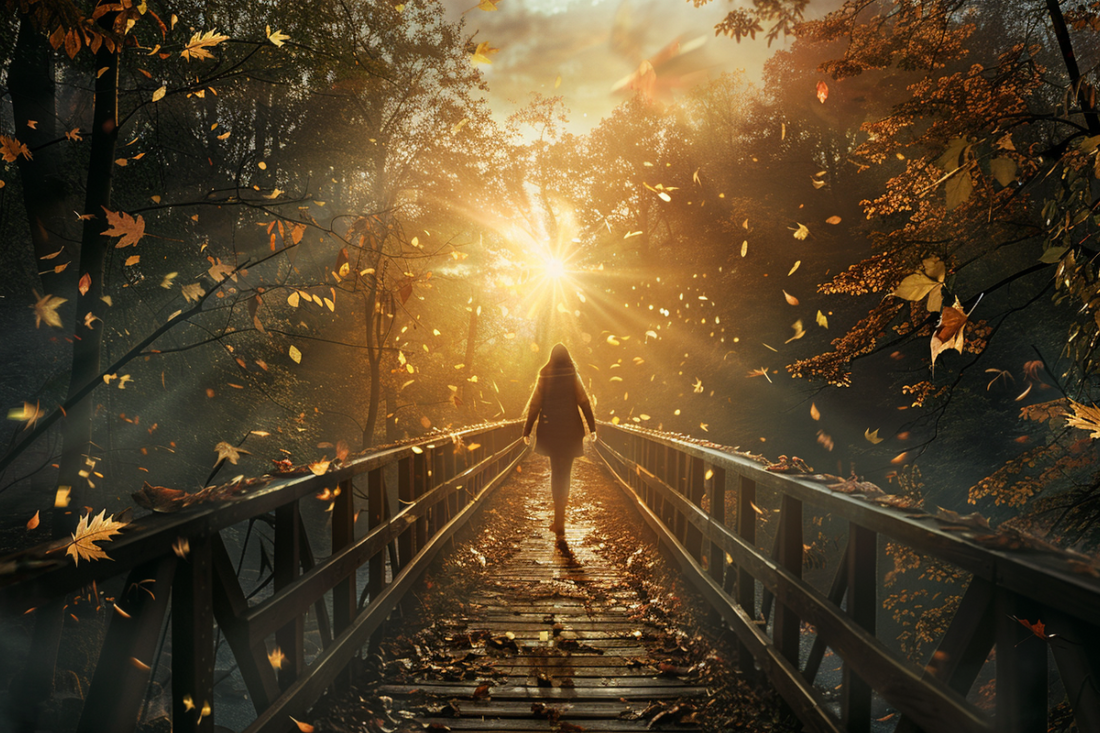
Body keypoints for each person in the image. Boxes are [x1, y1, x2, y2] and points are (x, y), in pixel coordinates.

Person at [522, 343, 597, 534]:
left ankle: (558, 520)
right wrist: (592, 427)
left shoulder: (544, 375)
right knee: (566, 473)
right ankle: (561, 519)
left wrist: (527, 429)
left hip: (551, 429)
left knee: (556, 471)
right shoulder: (572, 374)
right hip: (571, 429)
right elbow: (584, 400)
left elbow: (535, 403)